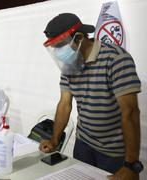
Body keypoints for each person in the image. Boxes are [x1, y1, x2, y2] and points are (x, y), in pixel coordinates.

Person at [39, 13, 143, 180]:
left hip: (113, 152)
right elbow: (65, 104)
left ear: (79, 37)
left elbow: (130, 112)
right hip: (83, 144)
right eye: (55, 48)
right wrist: (54, 140)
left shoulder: (116, 59)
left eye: (61, 46)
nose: (59, 53)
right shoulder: (69, 66)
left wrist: (131, 165)